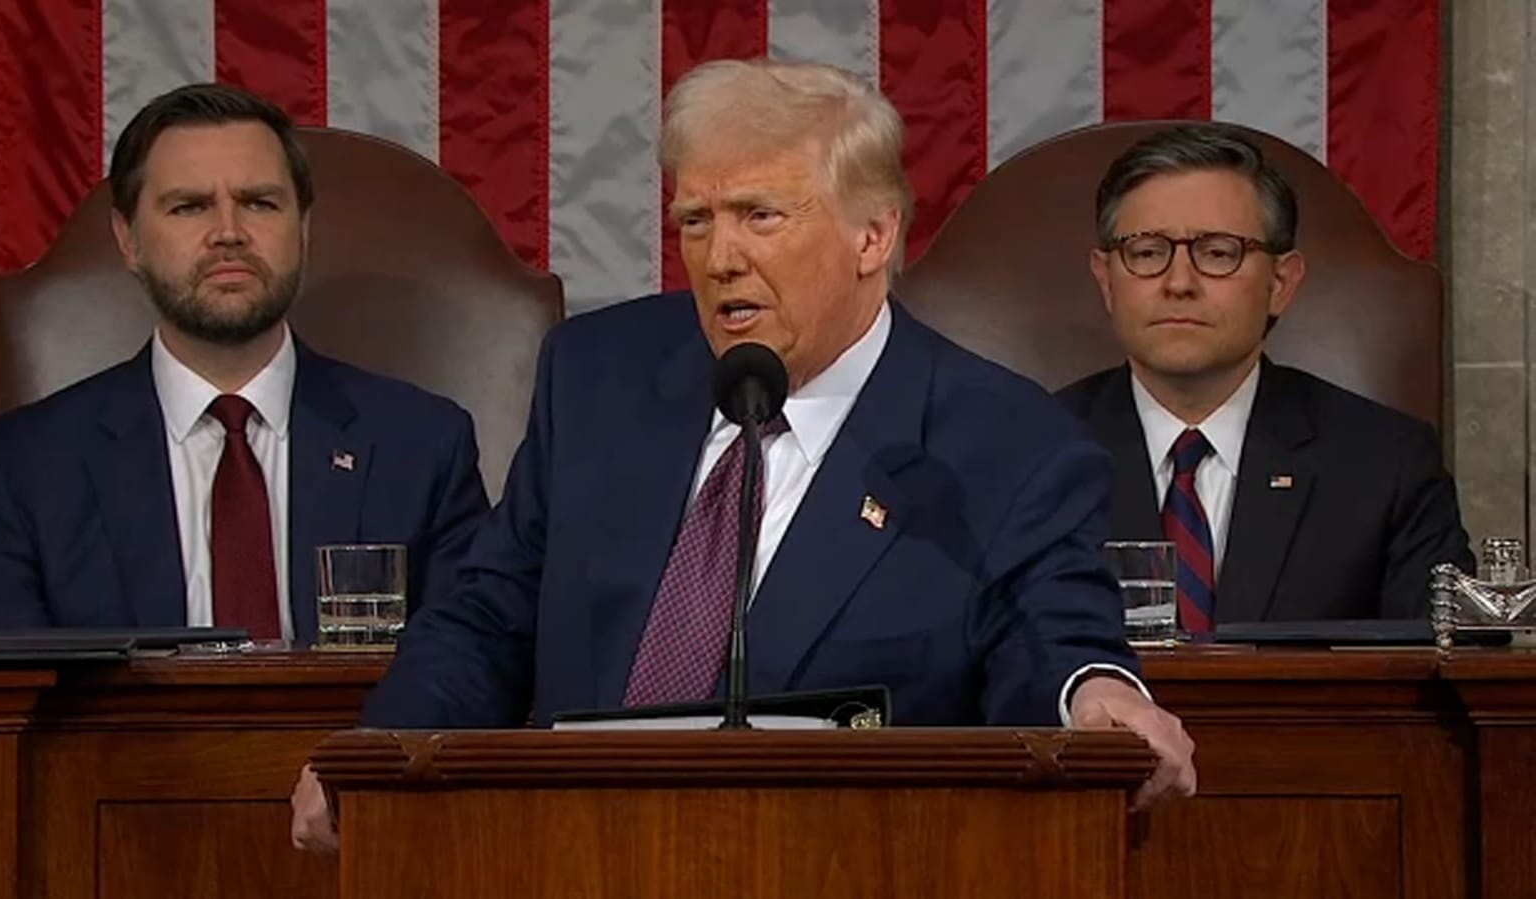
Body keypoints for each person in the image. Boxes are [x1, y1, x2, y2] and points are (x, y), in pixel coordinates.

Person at [292, 59, 1195, 851]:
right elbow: (490, 612)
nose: (720, 257)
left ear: (872, 236)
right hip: (566, 853)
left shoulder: (1001, 441)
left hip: (857, 861)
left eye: (761, 215)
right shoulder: (598, 377)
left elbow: (1052, 632)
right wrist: (380, 753)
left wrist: (1092, 693)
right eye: (695, 220)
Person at [0, 83, 489, 642]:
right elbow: (1, 703)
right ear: (127, 239)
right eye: (189, 206)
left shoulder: (422, 445)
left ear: (301, 229)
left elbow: (471, 669)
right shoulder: (30, 467)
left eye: (259, 202)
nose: (229, 233)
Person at [1058, 123, 1473, 631]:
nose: (1179, 283)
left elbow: (1446, 673)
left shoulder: (1387, 463)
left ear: (1281, 283)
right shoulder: (1027, 454)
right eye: (1146, 252)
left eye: (1218, 252)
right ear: (1106, 279)